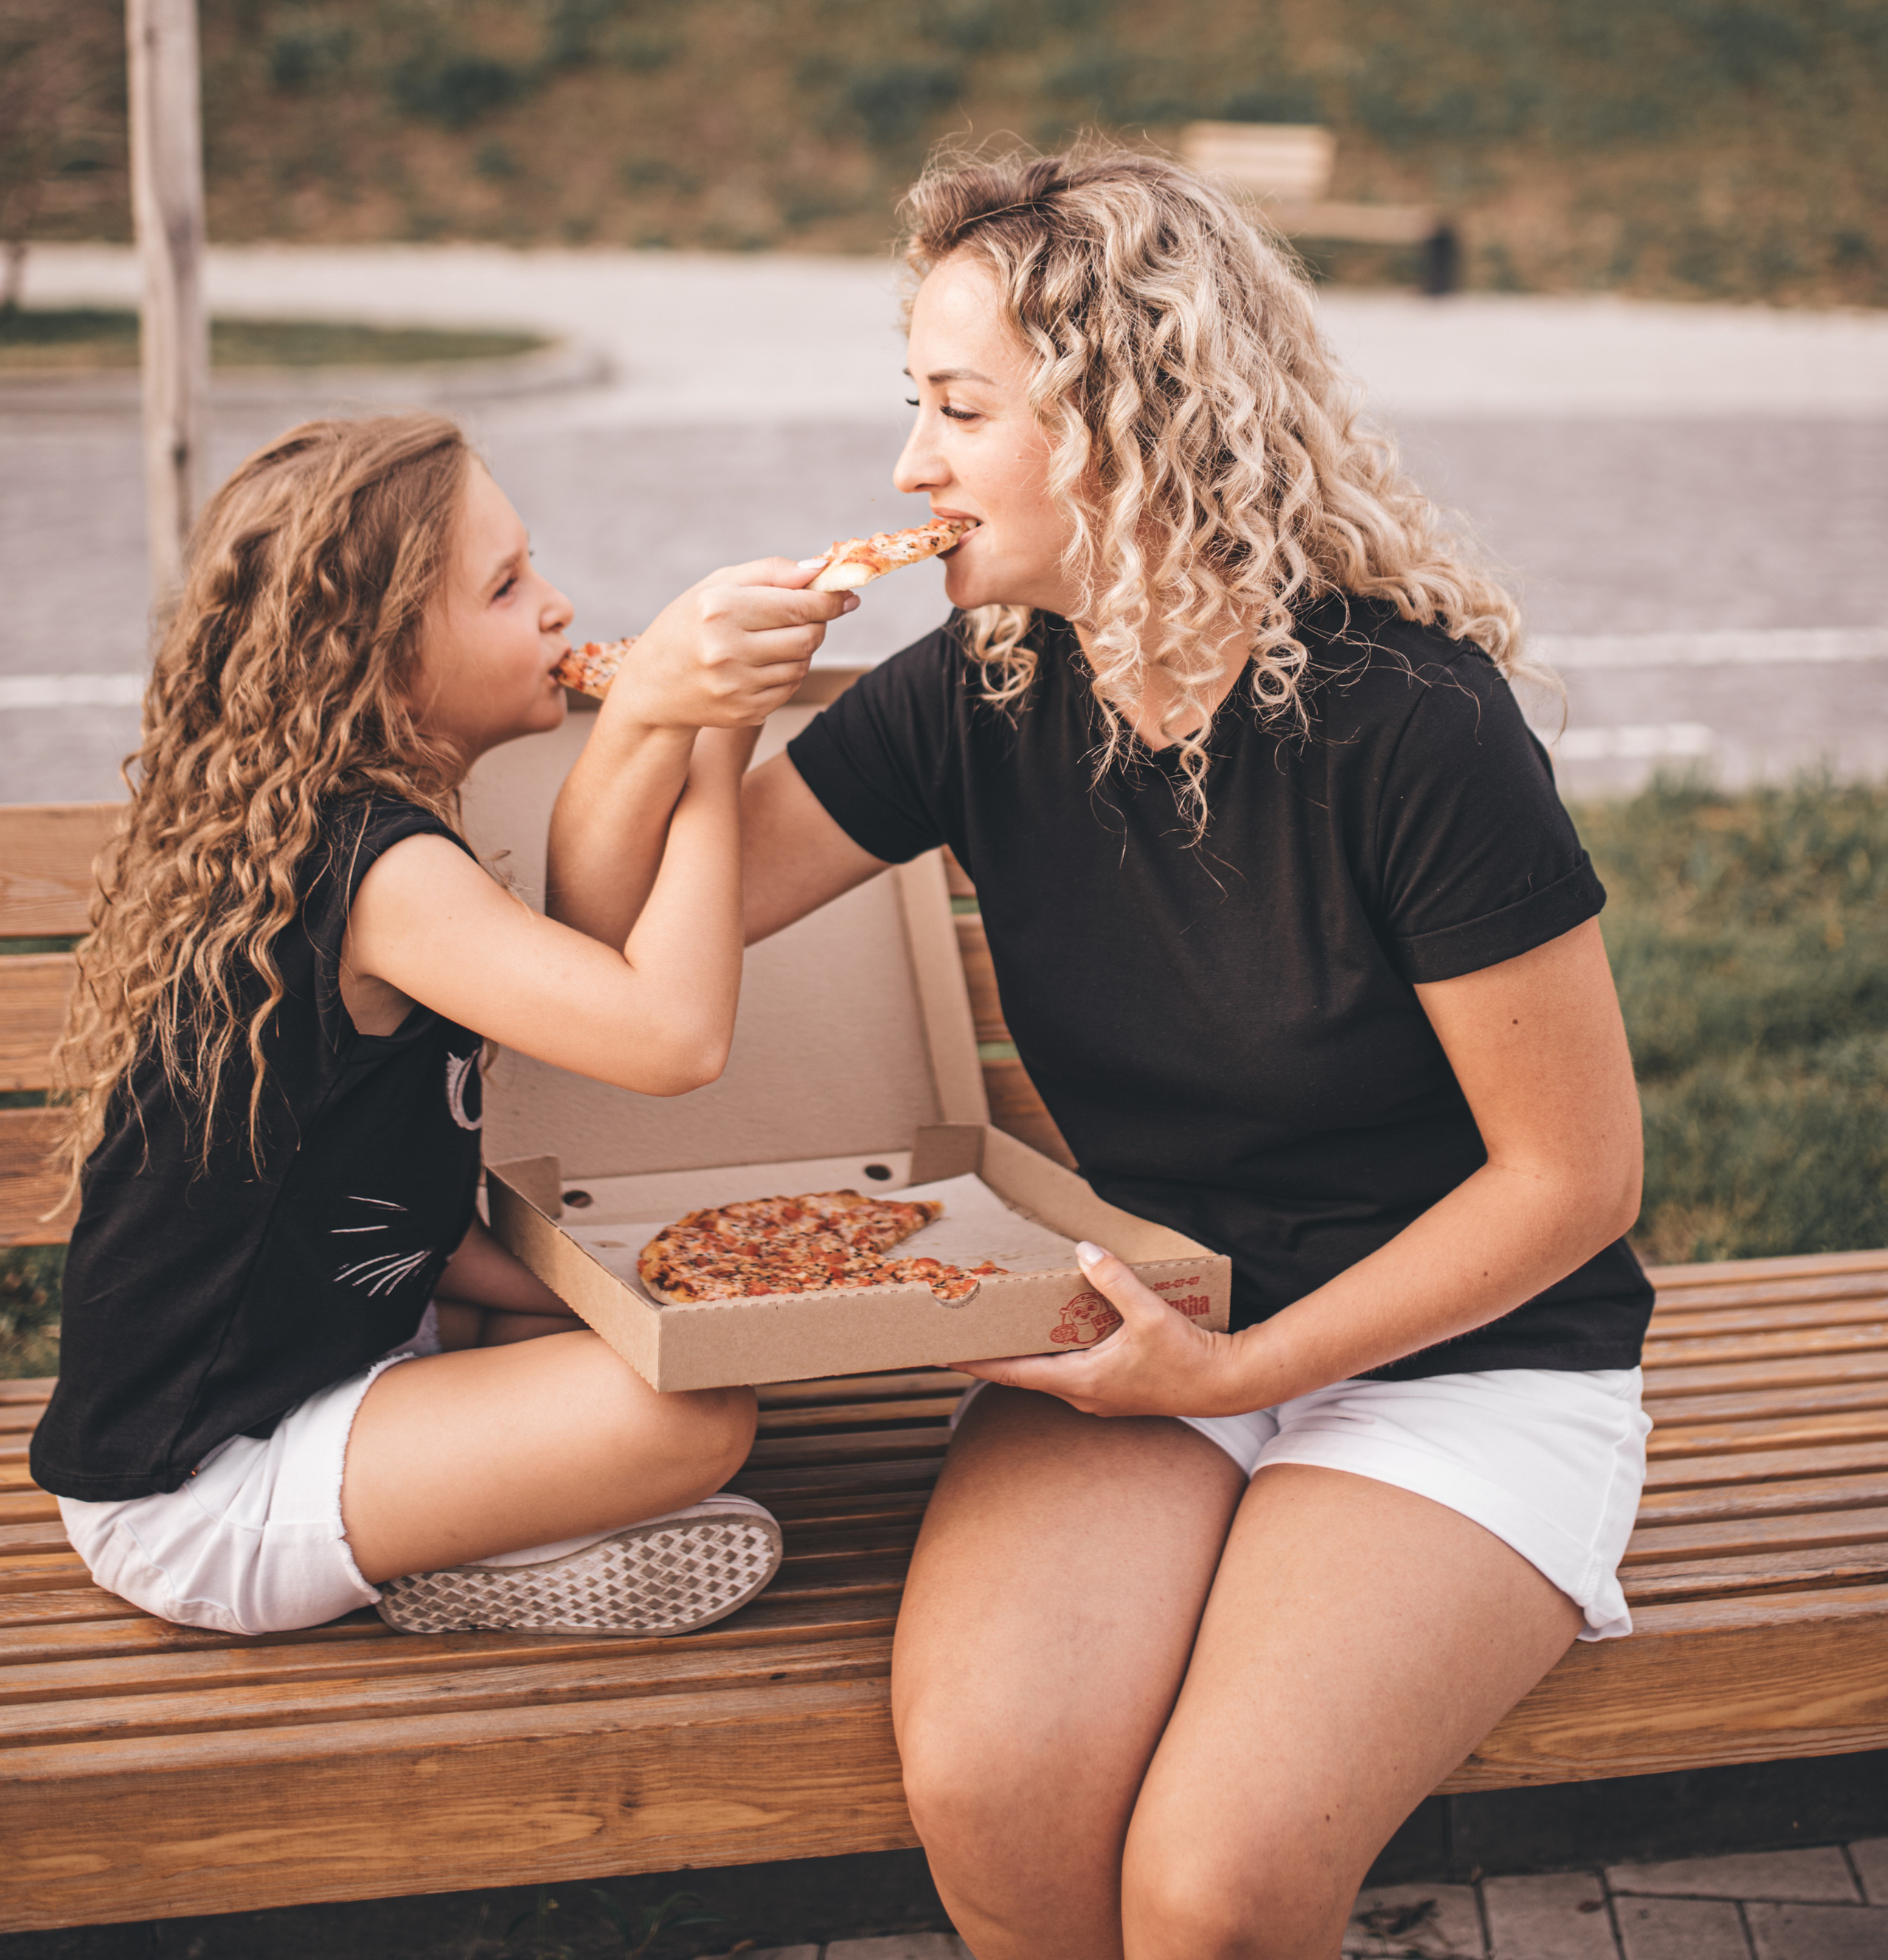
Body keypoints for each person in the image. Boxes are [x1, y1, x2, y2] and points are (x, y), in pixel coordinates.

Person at [554, 145, 1654, 1960]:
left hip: (1465, 1358)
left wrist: (1249, 1375)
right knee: (995, 1788)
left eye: (957, 409)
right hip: (1136, 1312)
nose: (909, 465)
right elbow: (626, 935)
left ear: (1123, 417)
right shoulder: (983, 678)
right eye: (912, 405)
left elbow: (1572, 1182)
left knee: (1209, 1893)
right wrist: (662, 710)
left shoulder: (1411, 727)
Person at [32, 413, 849, 1642]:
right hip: (199, 1486)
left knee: (671, 1335)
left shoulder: (347, 838)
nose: (560, 607)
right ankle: (445, 1564)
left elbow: (380, 1209)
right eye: (508, 583)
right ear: (385, 654)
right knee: (696, 1415)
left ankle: (466, 1519)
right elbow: (672, 1038)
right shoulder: (380, 875)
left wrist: (628, 1296)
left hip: (343, 1357)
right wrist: (717, 733)